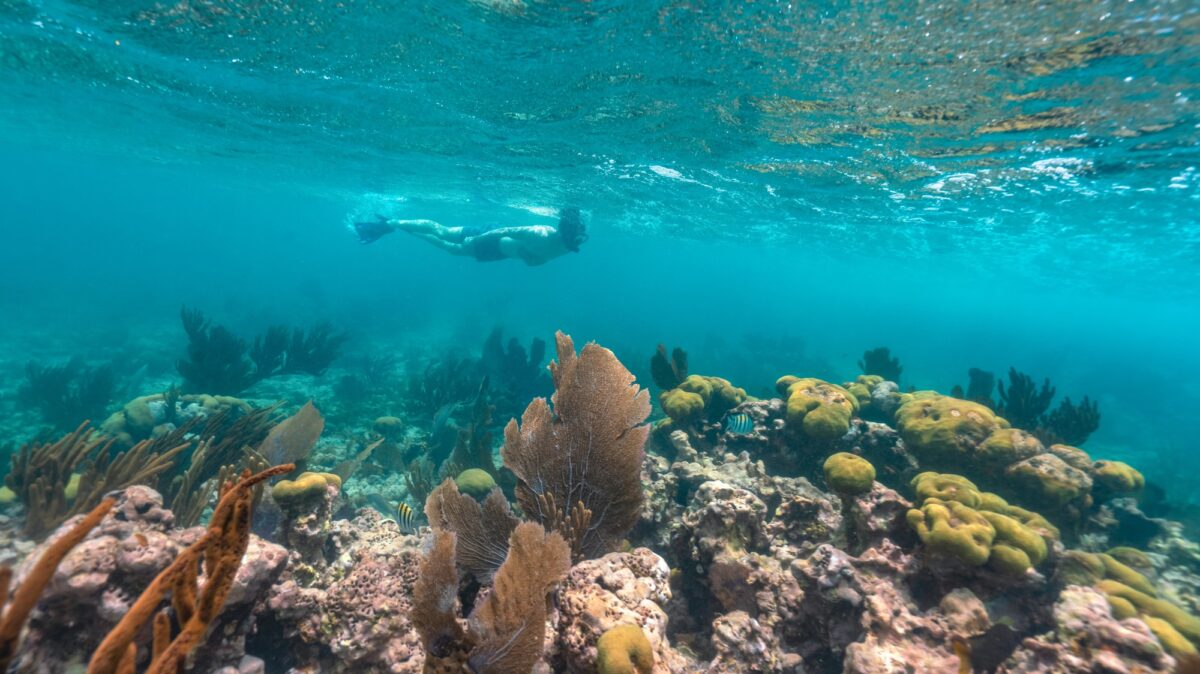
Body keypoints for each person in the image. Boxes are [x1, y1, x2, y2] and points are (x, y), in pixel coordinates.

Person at [354, 207, 587, 266]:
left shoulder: (569, 246)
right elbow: (504, 231)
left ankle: (404, 229)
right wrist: (477, 239)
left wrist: (529, 258)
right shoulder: (540, 232)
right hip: (489, 237)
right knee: (444, 232)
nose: (575, 241)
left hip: (499, 253)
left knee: (452, 249)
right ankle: (391, 223)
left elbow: (538, 261)